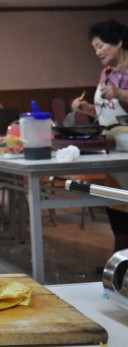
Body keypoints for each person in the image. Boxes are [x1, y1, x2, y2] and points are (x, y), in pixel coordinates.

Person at [71, 19, 128, 253]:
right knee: (118, 210)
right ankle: (121, 266)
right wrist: (87, 109)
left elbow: (119, 101)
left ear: (119, 43)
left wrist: (120, 93)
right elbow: (106, 113)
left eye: (101, 45)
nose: (97, 52)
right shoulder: (105, 73)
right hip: (113, 151)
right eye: (94, 48)